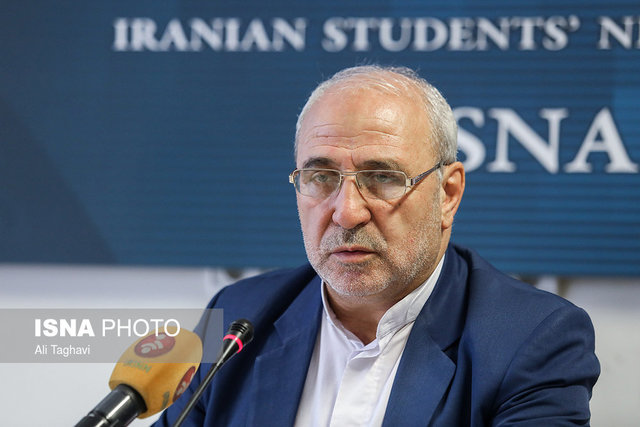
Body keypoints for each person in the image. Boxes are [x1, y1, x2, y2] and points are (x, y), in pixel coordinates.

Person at [154, 65, 599, 426]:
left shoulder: (532, 339)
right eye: (321, 177)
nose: (347, 212)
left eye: (383, 177)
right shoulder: (237, 314)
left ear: (448, 194)